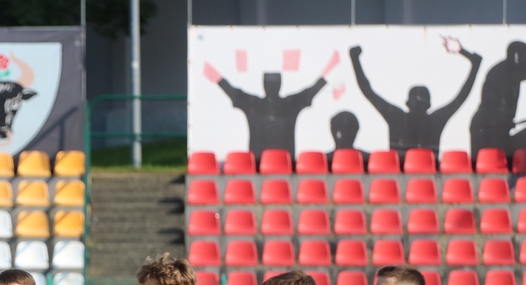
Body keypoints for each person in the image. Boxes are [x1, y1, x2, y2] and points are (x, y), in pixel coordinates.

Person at [350, 43, 480, 156]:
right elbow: (461, 97)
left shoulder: (397, 117)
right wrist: (475, 66)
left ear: (407, 103)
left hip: (403, 171)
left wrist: (355, 59)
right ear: (429, 104)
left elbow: (368, 92)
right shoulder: (435, 120)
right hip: (422, 171)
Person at [203, 53, 340, 157]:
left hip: (276, 163)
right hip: (263, 163)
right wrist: (331, 66)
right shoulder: (288, 103)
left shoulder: (257, 103)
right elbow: (312, 90)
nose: (272, 85)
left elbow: (232, 91)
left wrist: (215, 75)